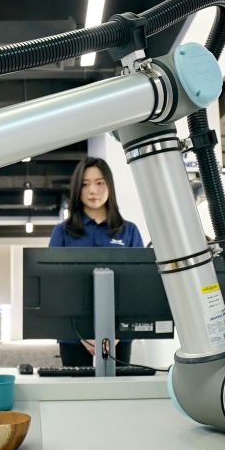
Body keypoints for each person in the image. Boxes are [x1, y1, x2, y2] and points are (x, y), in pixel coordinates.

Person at [48, 157, 144, 366]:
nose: (93, 191)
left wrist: (116, 332)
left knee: (119, 386)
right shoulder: (62, 232)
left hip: (118, 334)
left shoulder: (129, 231)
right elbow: (54, 287)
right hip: (73, 333)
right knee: (78, 385)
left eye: (100, 183)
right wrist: (81, 335)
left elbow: (138, 286)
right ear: (77, 189)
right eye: (85, 184)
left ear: (109, 186)